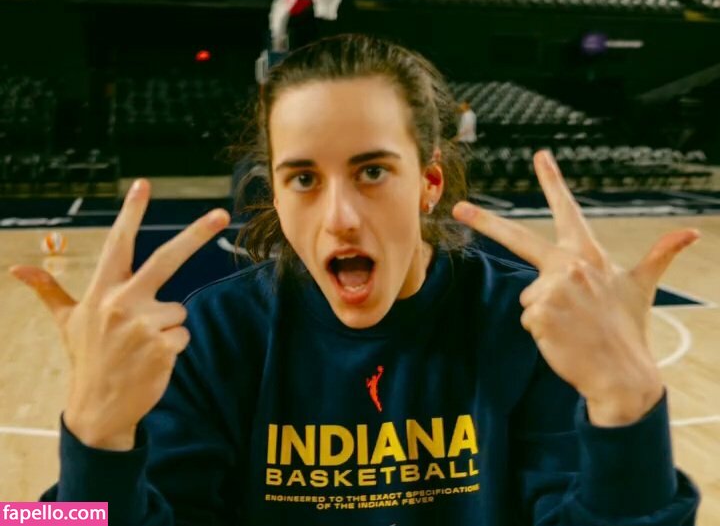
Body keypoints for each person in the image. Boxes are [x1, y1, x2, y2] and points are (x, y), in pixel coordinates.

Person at [10, 33, 700, 525]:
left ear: (429, 182)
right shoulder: (213, 337)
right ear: (275, 194)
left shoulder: (526, 326)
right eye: (303, 178)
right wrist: (95, 438)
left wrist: (628, 406)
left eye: (372, 171)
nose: (339, 217)